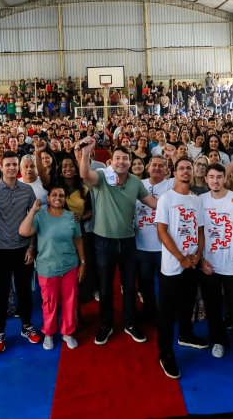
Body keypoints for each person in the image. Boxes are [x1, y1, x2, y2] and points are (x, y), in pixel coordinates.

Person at [79, 138, 156, 345]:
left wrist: (179, 201)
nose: (121, 161)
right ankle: (106, 324)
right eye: (118, 158)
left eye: (125, 158)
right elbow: (85, 174)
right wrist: (86, 153)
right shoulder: (103, 177)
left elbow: (153, 204)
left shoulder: (135, 182)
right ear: (111, 161)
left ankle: (130, 323)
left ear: (130, 162)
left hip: (129, 241)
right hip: (103, 241)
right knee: (105, 287)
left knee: (130, 285)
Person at [0, 151, 41, 352]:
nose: (12, 168)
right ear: (1, 165)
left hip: (22, 249)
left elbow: (32, 220)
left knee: (24, 290)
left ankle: (26, 325)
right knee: (1, 292)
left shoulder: (27, 190)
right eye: (8, 165)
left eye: (15, 164)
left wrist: (32, 247)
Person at [199, 163, 233, 365]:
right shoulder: (200, 200)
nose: (215, 180)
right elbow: (199, 233)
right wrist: (201, 260)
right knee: (213, 307)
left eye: (219, 177)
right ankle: (218, 341)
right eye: (211, 177)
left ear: (225, 178)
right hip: (209, 264)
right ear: (206, 179)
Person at [155, 157, 205, 379]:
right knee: (167, 311)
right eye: (181, 168)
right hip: (172, 265)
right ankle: (165, 352)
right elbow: (162, 231)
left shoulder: (197, 200)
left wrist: (197, 255)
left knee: (187, 302)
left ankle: (185, 334)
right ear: (174, 172)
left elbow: (201, 231)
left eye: (189, 168)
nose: (185, 171)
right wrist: (180, 257)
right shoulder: (166, 199)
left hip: (192, 262)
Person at [19, 186, 85, 350]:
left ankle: (67, 332)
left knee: (70, 302)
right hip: (47, 268)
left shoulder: (72, 218)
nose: (58, 198)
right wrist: (33, 210)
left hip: (69, 266)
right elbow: (24, 232)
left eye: (61, 196)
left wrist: (83, 262)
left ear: (64, 200)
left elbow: (78, 240)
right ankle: (48, 333)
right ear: (48, 199)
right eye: (54, 195)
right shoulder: (40, 216)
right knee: (49, 303)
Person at [134, 157, 173, 324]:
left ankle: (166, 314)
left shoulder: (171, 185)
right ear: (147, 167)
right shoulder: (136, 184)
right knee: (146, 283)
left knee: (167, 284)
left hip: (165, 246)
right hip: (141, 244)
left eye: (161, 165)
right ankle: (149, 312)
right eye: (154, 165)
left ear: (167, 169)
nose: (157, 168)